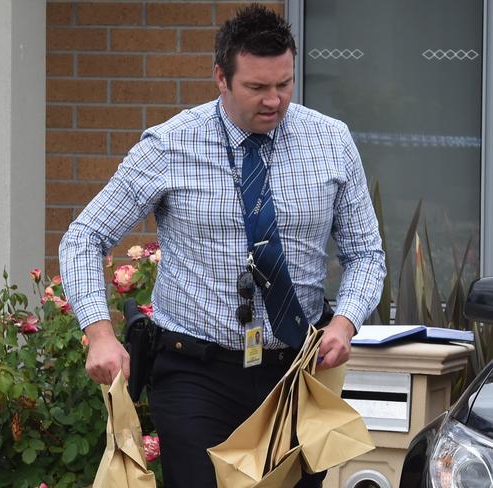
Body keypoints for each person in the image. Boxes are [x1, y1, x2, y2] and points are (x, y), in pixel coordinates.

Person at [59, 4, 386, 487]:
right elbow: (84, 238)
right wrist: (100, 333)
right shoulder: (169, 145)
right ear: (221, 77)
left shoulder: (331, 141)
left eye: (284, 84)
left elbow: (366, 254)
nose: (273, 100)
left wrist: (345, 321)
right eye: (256, 87)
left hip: (296, 375)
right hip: (196, 373)